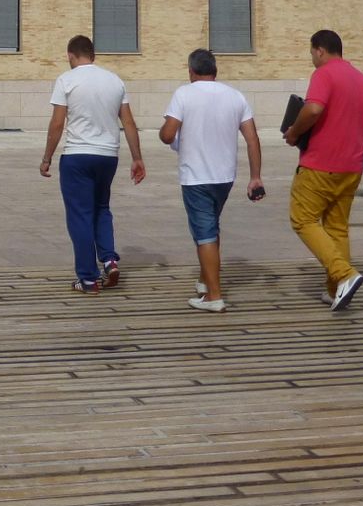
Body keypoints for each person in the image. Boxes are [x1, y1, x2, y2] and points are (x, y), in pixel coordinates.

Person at [158, 49, 264, 312]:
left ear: (191, 71)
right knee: (211, 227)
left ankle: (214, 296)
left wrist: (166, 130)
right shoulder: (235, 96)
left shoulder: (184, 93)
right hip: (225, 176)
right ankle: (206, 281)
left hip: (196, 176)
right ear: (215, 71)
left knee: (204, 233)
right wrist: (255, 177)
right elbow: (252, 139)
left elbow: (168, 135)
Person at [40, 34, 146, 293]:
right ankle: (109, 259)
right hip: (108, 155)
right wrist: (137, 158)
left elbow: (57, 124)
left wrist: (47, 157)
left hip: (77, 156)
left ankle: (88, 278)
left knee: (80, 215)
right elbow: (129, 123)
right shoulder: (115, 80)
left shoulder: (66, 80)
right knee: (101, 208)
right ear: (93, 55)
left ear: (71, 55)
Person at [283, 29, 363, 311]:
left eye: (312, 53)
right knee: (337, 227)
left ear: (320, 50)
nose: (312, 58)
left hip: (320, 164)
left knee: (303, 220)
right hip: (351, 165)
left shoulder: (324, 74)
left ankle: (344, 273)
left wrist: (294, 133)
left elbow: (312, 109)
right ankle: (335, 289)